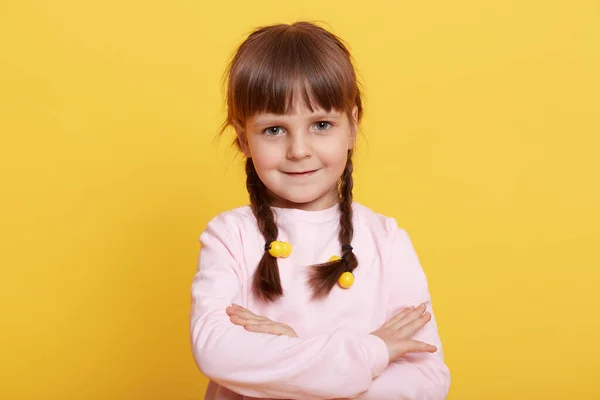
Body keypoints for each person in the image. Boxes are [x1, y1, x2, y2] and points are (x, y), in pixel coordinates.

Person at [190, 21, 451, 400]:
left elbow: (425, 381)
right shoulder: (229, 237)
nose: (299, 150)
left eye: (321, 124)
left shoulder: (386, 241)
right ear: (243, 138)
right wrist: (371, 351)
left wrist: (290, 351)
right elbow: (215, 350)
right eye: (274, 130)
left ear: (352, 127)